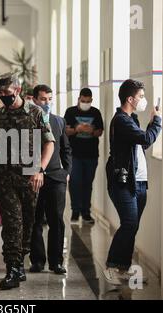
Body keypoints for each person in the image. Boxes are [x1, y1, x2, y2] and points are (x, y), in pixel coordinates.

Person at [0, 72, 55, 290]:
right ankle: (13, 268)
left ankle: (20, 263)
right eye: (0, 93)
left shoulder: (35, 113)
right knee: (12, 223)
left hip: (29, 179)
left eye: (7, 92)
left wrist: (40, 170)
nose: (3, 96)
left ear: (17, 90)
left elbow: (49, 143)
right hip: (5, 179)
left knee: (28, 223)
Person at [103, 79, 162, 285]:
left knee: (132, 225)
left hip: (139, 182)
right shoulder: (121, 120)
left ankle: (123, 268)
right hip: (124, 182)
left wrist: (148, 127)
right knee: (129, 223)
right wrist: (157, 121)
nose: (143, 100)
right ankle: (112, 266)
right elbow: (146, 139)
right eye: (141, 97)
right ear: (130, 98)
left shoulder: (131, 119)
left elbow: (138, 142)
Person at [29, 84, 72, 275]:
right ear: (34, 100)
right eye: (43, 99)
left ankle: (57, 262)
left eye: (49, 99)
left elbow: (66, 149)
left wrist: (67, 171)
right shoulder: (27, 121)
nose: (47, 103)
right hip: (33, 177)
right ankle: (37, 261)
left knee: (56, 220)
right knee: (35, 220)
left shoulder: (59, 121)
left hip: (56, 177)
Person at [64, 88, 104, 223]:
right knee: (75, 182)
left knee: (88, 183)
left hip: (91, 155)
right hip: (74, 154)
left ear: (91, 100)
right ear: (79, 99)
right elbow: (65, 131)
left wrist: (92, 131)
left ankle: (86, 212)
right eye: (83, 101)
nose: (85, 103)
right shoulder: (71, 112)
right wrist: (77, 129)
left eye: (88, 101)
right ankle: (75, 211)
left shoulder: (95, 112)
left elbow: (100, 131)